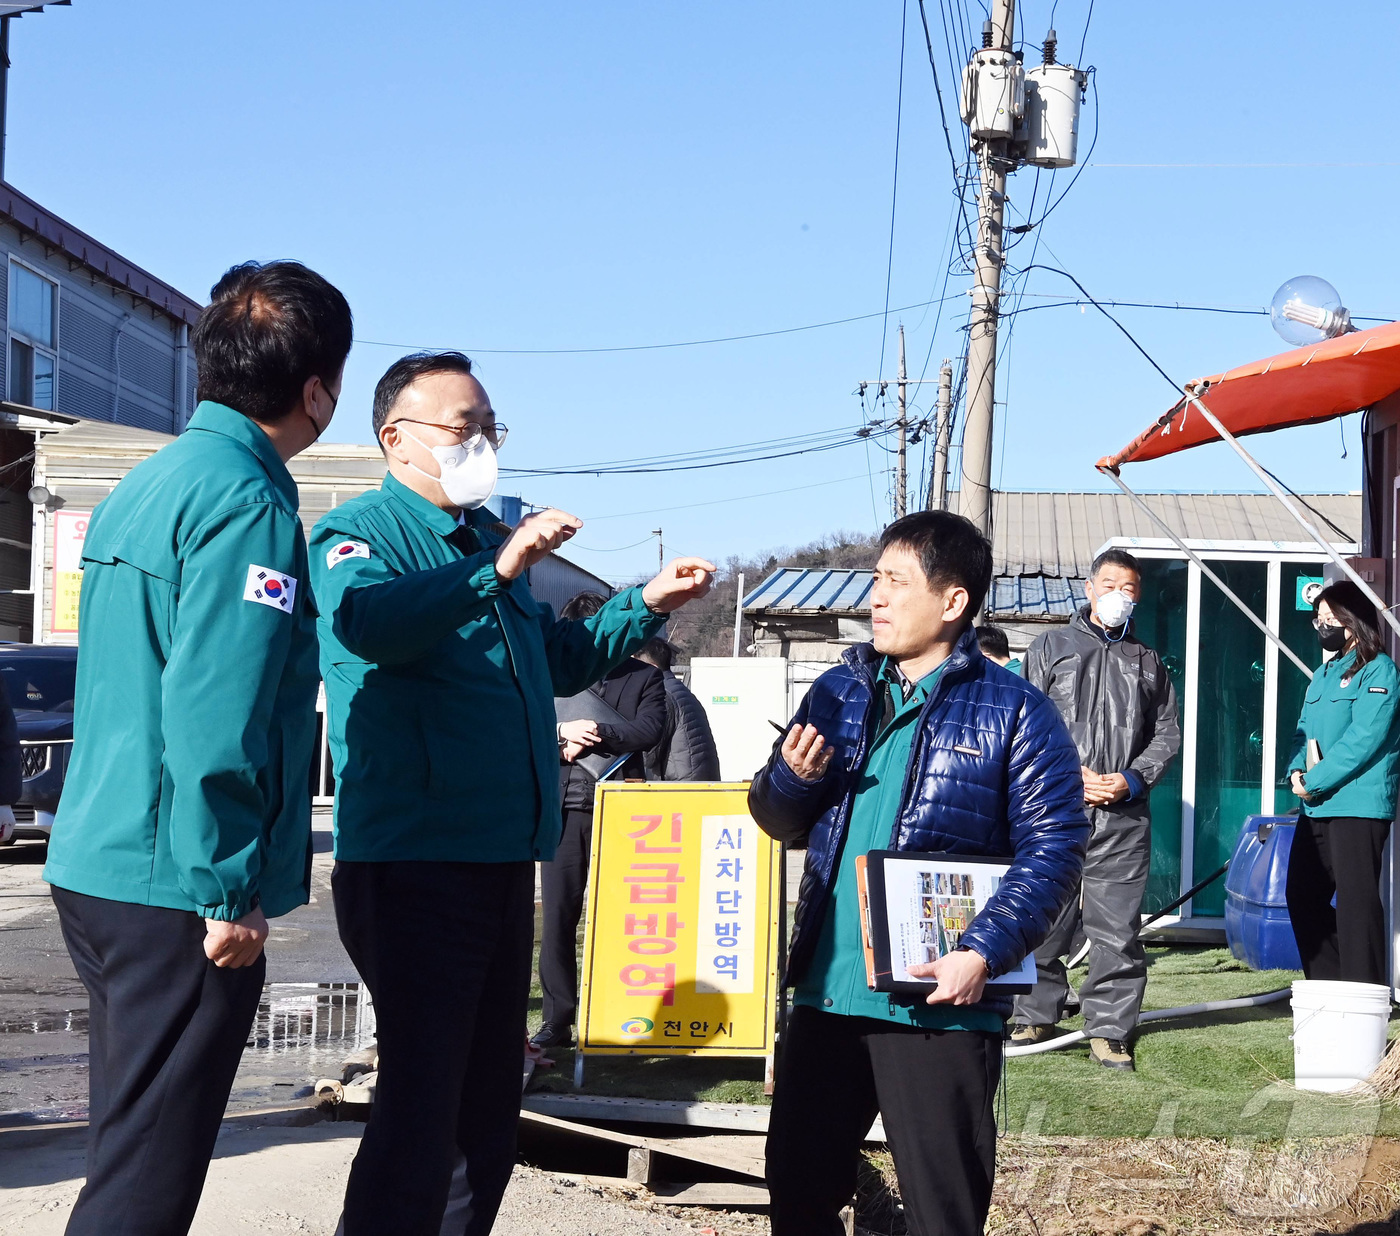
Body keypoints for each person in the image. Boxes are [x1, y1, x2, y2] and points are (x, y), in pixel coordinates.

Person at [308, 350, 715, 1236]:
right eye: (463, 427)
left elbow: (555, 661)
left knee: (486, 1108)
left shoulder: (489, 543)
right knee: (421, 1111)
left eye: (490, 427)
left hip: (498, 858)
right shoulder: (360, 534)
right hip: (415, 863)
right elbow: (368, 623)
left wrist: (642, 601)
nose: (481, 443)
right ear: (396, 438)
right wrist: (492, 572)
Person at [43, 261, 351, 1236]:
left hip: (99, 860)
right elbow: (218, 710)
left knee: (127, 1146)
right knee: (145, 1183)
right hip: (176, 886)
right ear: (315, 390)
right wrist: (225, 892)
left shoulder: (151, 483)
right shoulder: (249, 503)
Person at [749, 511, 1088, 1236]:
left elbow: (1055, 848)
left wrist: (983, 951)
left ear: (953, 600)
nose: (876, 597)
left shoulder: (1018, 713)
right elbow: (777, 820)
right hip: (827, 993)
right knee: (798, 1190)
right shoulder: (838, 695)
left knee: (942, 1209)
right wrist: (789, 780)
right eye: (876, 578)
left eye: (896, 582)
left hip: (940, 999)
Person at [1011, 547, 1182, 1071]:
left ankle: (1109, 1029)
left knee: (1117, 925)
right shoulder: (1051, 647)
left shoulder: (1148, 661)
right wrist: (1063, 777)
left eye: (1129, 589)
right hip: (1055, 806)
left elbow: (1166, 734)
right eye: (1110, 585)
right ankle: (1034, 1012)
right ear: (1089, 588)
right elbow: (1022, 720)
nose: (1119, 596)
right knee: (1043, 911)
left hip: (1124, 814)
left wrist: (1130, 780)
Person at [534, 591, 667, 1051]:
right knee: (558, 918)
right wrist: (559, 736)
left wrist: (593, 734)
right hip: (563, 809)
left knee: (624, 920)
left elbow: (650, 730)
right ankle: (557, 1020)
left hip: (626, 813)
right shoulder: (550, 674)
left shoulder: (646, 677)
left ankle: (622, 1015)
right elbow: (525, 727)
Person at [1286, 580, 1400, 985]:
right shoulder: (1323, 673)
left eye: (1332, 618)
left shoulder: (1380, 670)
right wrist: (1295, 771)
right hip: (1315, 801)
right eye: (1319, 619)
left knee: (1356, 904)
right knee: (1301, 896)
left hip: (1358, 803)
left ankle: (1365, 994)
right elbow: (1304, 733)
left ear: (1355, 619)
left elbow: (1363, 740)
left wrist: (1313, 780)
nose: (1324, 625)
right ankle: (1332, 988)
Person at [635, 636, 722, 781]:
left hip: (680, 788)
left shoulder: (663, 695)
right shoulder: (679, 690)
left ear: (653, 669)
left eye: (636, 668)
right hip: (697, 783)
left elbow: (650, 756)